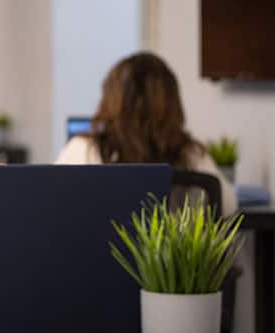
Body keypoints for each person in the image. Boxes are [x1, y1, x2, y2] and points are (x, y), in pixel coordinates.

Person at [55, 52, 236, 215]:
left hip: (99, 253)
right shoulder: (190, 155)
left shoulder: (83, 151)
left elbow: (52, 208)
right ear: (172, 105)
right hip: (173, 253)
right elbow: (228, 207)